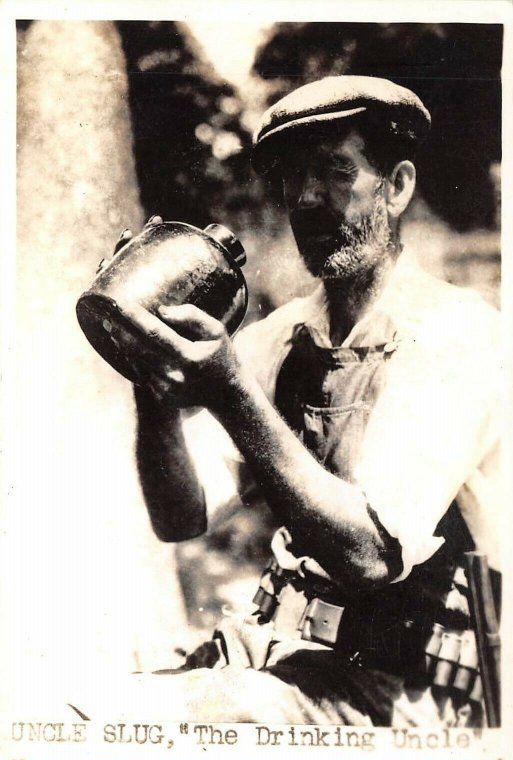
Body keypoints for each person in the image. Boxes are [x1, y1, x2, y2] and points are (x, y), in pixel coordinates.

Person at [101, 76, 501, 726]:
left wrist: (230, 390)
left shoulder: (457, 336)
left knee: (159, 721)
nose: (305, 198)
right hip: (286, 659)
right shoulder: (280, 338)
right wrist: (152, 386)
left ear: (395, 186)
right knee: (88, 697)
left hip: (412, 695)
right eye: (291, 177)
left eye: (333, 172)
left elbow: (369, 557)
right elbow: (181, 517)